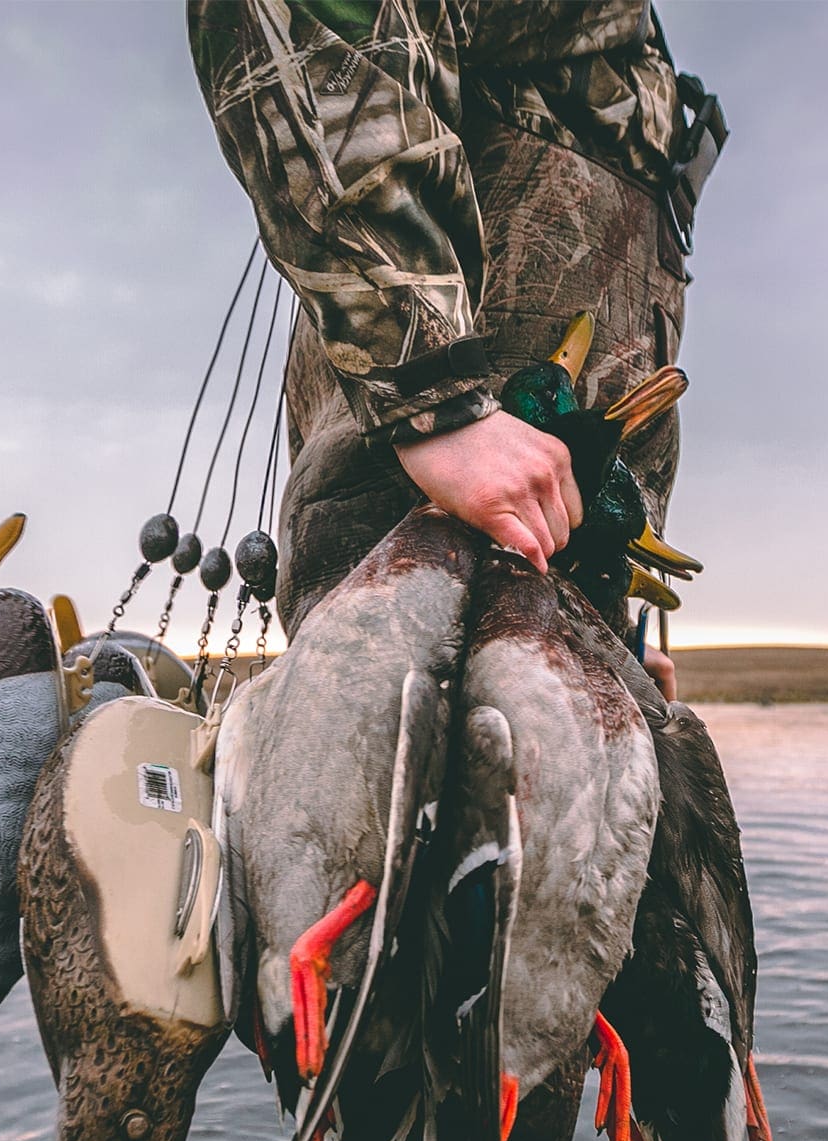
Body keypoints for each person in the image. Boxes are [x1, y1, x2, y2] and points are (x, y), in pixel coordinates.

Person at [186, 0, 723, 1141]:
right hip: (440, 536)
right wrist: (434, 392)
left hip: (537, 559)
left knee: (503, 1023)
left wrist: (609, 635)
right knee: (419, 999)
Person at [189, 0, 724, 703]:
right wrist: (436, 402)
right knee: (370, 753)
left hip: (525, 516)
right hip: (451, 460)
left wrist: (610, 636)